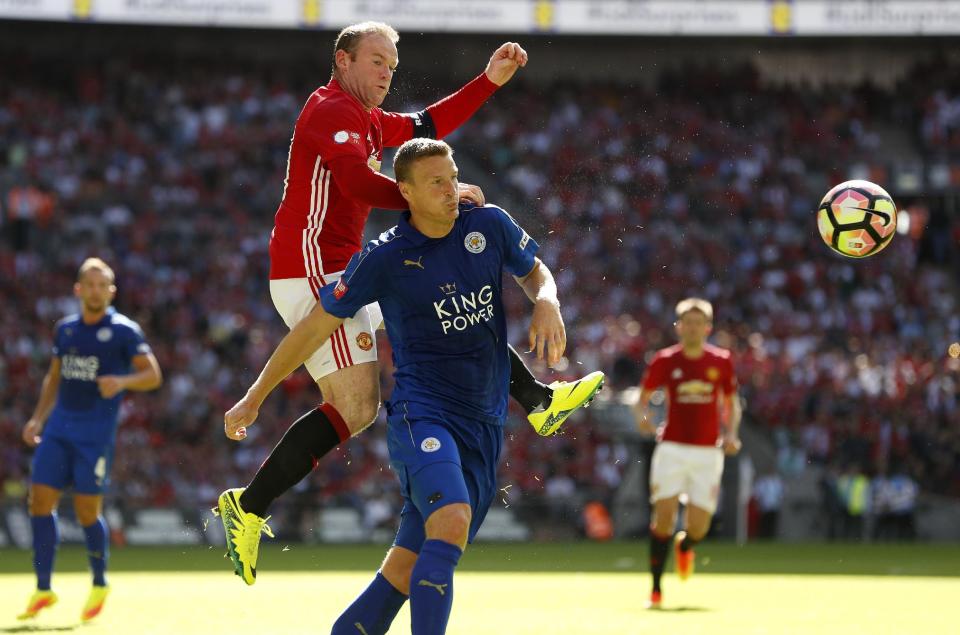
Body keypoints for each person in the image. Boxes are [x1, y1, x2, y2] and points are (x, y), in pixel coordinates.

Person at [215, 21, 603, 585]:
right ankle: (248, 506)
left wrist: (488, 82)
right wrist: (426, 201)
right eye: (377, 61)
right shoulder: (331, 110)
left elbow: (426, 126)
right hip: (313, 262)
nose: (386, 74)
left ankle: (538, 399)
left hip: (337, 261)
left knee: (424, 325)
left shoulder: (367, 119)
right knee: (357, 404)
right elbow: (353, 185)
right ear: (343, 60)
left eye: (392, 67)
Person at [17, 258, 162, 622]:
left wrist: (122, 381)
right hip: (58, 430)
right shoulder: (65, 331)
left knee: (86, 513)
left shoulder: (123, 331)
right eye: (90, 284)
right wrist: (38, 418)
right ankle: (44, 588)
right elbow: (54, 378)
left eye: (103, 285)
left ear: (111, 292)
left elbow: (153, 375)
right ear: (78, 289)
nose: (96, 290)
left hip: (94, 438)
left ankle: (99, 582)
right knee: (39, 502)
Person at [632, 298, 741, 609]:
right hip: (672, 448)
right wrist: (641, 417)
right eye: (687, 322)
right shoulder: (665, 360)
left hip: (708, 452)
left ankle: (686, 546)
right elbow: (640, 399)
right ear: (678, 326)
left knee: (698, 527)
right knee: (663, 518)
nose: (692, 328)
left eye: (698, 323)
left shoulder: (721, 361)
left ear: (707, 328)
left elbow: (732, 404)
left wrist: (731, 433)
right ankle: (655, 590)